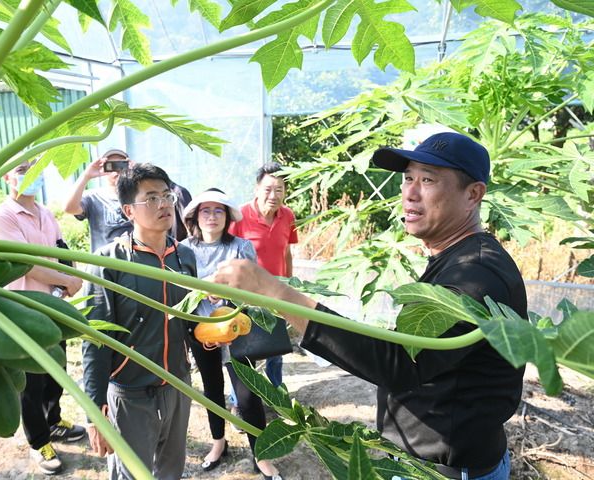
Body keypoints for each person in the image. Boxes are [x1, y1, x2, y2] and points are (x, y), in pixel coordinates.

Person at [212, 132, 526, 480]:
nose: (409, 192)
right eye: (408, 178)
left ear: (473, 195)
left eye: (427, 180)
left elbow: (399, 363)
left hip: (447, 471)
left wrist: (276, 293)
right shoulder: (457, 258)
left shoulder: (474, 272)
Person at [82, 163, 197, 480]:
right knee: (133, 474)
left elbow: (191, 320)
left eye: (166, 195)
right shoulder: (108, 263)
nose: (163, 204)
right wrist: (94, 414)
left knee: (171, 470)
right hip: (130, 392)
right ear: (128, 210)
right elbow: (95, 341)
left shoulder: (183, 257)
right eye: (151, 198)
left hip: (177, 384)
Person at [0, 161, 85, 475]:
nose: (31, 175)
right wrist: (65, 280)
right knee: (31, 380)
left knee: (57, 368)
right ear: (7, 178)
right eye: (22, 170)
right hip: (22, 305)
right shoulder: (3, 216)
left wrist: (71, 271)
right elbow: (24, 263)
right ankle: (38, 441)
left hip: (50, 303)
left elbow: (59, 245)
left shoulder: (45, 212)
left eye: (34, 169)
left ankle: (53, 421)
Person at [180, 189, 283, 480]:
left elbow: (253, 288)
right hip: (201, 331)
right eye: (205, 210)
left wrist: (227, 296)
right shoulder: (183, 248)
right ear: (195, 217)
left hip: (237, 331)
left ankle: (261, 454)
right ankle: (218, 442)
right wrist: (203, 289)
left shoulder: (240, 246)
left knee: (248, 395)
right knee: (212, 389)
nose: (212, 216)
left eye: (218, 211)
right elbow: (179, 289)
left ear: (227, 217)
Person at [230, 162, 298, 389]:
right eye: (268, 189)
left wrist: (290, 286)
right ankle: (242, 397)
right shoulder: (239, 216)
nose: (274, 195)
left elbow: (286, 251)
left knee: (276, 349)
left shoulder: (288, 216)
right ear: (257, 189)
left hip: (276, 292)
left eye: (279, 189)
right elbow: (229, 254)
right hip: (247, 295)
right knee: (246, 348)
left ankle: (276, 392)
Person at [63, 148, 133, 252]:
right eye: (111, 166)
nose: (116, 171)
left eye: (120, 165)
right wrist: (86, 176)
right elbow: (69, 208)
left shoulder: (139, 195)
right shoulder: (93, 197)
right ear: (104, 168)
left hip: (135, 263)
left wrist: (139, 174)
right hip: (104, 264)